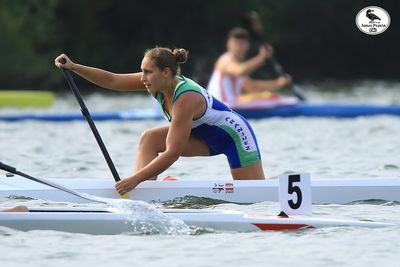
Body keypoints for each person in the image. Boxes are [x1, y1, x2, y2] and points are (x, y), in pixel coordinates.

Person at [54, 47, 265, 195]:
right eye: (142, 71)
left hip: (235, 138)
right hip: (202, 135)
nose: (142, 77)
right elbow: (113, 80)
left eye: (147, 72)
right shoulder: (157, 83)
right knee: (150, 139)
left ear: (165, 72)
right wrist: (74, 67)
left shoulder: (185, 98)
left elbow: (172, 153)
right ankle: (143, 195)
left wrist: (132, 180)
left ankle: (137, 185)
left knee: (254, 198)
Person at [207, 27, 292, 105]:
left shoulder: (238, 64)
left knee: (269, 96)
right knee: (276, 100)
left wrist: (278, 83)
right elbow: (239, 71)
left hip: (231, 105)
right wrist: (261, 57)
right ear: (228, 44)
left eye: (241, 43)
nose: (238, 47)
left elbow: (252, 86)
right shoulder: (225, 60)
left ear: (247, 45)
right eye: (235, 43)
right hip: (223, 106)